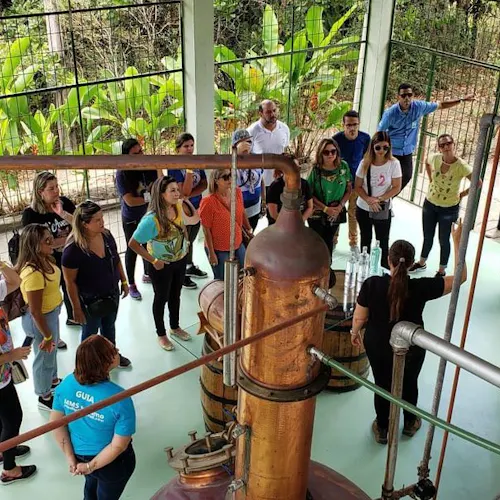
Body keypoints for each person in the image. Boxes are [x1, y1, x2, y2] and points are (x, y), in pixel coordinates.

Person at [351, 221, 466, 444]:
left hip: (377, 344)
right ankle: (411, 422)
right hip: (412, 347)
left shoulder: (372, 284)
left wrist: (355, 332)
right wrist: (457, 241)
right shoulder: (422, 287)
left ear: (388, 260)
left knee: (382, 383)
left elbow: (360, 318)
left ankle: (382, 428)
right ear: (412, 264)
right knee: (409, 382)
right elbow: (460, 278)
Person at [50, 335, 136, 499]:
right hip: (111, 462)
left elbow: (56, 423)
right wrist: (90, 467)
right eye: (113, 350)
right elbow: (118, 446)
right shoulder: (119, 398)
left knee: (90, 488)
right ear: (104, 362)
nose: (118, 350)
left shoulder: (67, 383)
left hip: (79, 454)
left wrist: (70, 457)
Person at [62, 201, 131, 368]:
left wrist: (124, 281)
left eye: (102, 218)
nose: (102, 222)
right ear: (84, 224)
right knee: (89, 334)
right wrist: (76, 308)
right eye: (97, 220)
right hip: (89, 300)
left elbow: (116, 260)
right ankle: (85, 365)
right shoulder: (73, 250)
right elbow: (70, 282)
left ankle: (111, 354)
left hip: (111, 293)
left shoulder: (106, 236)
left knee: (109, 327)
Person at [128, 176, 192, 352]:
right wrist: (154, 261)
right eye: (172, 191)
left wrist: (186, 243)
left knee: (175, 295)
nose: (177, 193)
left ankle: (175, 326)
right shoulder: (151, 220)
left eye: (177, 190)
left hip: (179, 260)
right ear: (161, 194)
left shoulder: (177, 207)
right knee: (161, 298)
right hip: (160, 265)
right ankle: (161, 334)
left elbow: (182, 227)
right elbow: (133, 243)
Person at [378, 83, 474, 191]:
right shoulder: (390, 114)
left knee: (406, 176)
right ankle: (381, 198)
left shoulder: (418, 107)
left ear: (413, 96)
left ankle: (388, 198)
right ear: (398, 97)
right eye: (403, 95)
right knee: (386, 178)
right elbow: (380, 132)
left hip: (407, 151)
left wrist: (461, 100)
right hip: (392, 151)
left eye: (409, 95)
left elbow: (440, 105)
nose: (407, 98)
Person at [410, 134, 480, 277]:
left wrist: (462, 194)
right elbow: (426, 162)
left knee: (444, 240)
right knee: (427, 236)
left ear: (454, 145)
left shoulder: (461, 166)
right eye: (442, 145)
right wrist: (431, 179)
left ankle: (441, 270)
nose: (446, 147)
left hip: (449, 209)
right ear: (439, 148)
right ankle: (422, 262)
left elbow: (477, 182)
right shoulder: (435, 158)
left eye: (448, 143)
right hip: (430, 204)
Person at [22, 171, 75, 345]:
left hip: (69, 256)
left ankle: (73, 317)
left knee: (70, 289)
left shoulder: (64, 203)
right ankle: (51, 334)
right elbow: (34, 243)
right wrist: (66, 240)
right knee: (49, 300)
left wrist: (63, 214)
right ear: (40, 192)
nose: (57, 191)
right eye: (51, 188)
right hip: (47, 263)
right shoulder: (31, 214)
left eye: (57, 186)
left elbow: (80, 225)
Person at [17, 224, 62, 411]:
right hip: (40, 320)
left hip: (51, 313)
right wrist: (47, 335)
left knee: (51, 352)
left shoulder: (45, 259)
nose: (52, 242)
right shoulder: (33, 273)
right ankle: (44, 395)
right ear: (35, 245)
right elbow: (35, 311)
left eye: (51, 238)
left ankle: (52, 380)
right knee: (44, 357)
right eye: (47, 240)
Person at [0, 261, 37, 485]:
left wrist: (1, 264)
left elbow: (15, 281)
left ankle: (4, 448)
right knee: (13, 418)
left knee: (3, 419)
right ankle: (9, 469)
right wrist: (10, 356)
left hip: (3, 375)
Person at [115, 138, 159, 300]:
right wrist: (151, 199)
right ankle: (131, 284)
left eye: (141, 151)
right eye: (135, 153)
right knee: (132, 248)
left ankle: (148, 274)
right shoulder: (122, 173)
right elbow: (130, 201)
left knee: (149, 245)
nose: (141, 155)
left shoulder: (149, 167)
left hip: (148, 214)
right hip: (131, 217)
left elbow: (158, 185)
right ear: (126, 156)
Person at [354, 132, 402, 270]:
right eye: (378, 147)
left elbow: (396, 187)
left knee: (382, 241)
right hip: (364, 207)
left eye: (385, 148)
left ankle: (383, 270)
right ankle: (365, 270)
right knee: (365, 239)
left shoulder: (394, 164)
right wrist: (369, 200)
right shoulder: (364, 163)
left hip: (382, 207)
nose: (382, 151)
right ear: (372, 147)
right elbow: (357, 186)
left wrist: (379, 199)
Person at [168, 132, 208, 290]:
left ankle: (189, 265)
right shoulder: (175, 166)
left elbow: (204, 184)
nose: (190, 149)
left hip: (195, 206)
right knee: (183, 241)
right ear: (178, 148)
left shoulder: (195, 161)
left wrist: (190, 194)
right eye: (186, 146)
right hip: (181, 209)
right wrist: (190, 171)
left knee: (191, 239)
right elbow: (182, 191)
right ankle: (181, 273)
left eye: (192, 145)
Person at [199, 169, 252, 281]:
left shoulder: (237, 192)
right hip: (219, 248)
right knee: (222, 280)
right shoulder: (208, 202)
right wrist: (211, 253)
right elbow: (206, 229)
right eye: (225, 177)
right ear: (216, 181)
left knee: (244, 275)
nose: (230, 179)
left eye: (231, 175)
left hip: (237, 241)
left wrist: (249, 229)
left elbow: (242, 211)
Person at [307, 138, 351, 259]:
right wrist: (326, 209)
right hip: (317, 213)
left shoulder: (343, 166)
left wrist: (340, 206)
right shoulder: (315, 170)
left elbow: (349, 189)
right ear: (320, 153)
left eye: (333, 151)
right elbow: (308, 194)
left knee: (329, 241)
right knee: (316, 244)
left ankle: (328, 267)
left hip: (336, 211)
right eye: (326, 152)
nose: (330, 154)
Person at [333, 110, 371, 252]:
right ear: (343, 125)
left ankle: (353, 242)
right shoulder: (336, 140)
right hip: (339, 184)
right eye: (349, 125)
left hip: (357, 184)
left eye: (355, 124)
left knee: (353, 213)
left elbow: (367, 159)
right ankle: (333, 240)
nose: (352, 128)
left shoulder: (365, 138)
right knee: (337, 210)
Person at [247, 99, 290, 189]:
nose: (273, 114)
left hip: (280, 181)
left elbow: (284, 151)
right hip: (259, 182)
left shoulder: (284, 128)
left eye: (274, 110)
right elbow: (246, 155)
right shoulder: (252, 131)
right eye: (268, 112)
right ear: (260, 113)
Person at [233, 129, 266, 231]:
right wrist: (238, 153)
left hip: (255, 208)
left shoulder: (257, 159)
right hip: (238, 210)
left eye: (248, 142)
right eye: (242, 142)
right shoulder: (230, 160)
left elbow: (261, 181)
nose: (246, 145)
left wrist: (264, 201)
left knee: (251, 233)